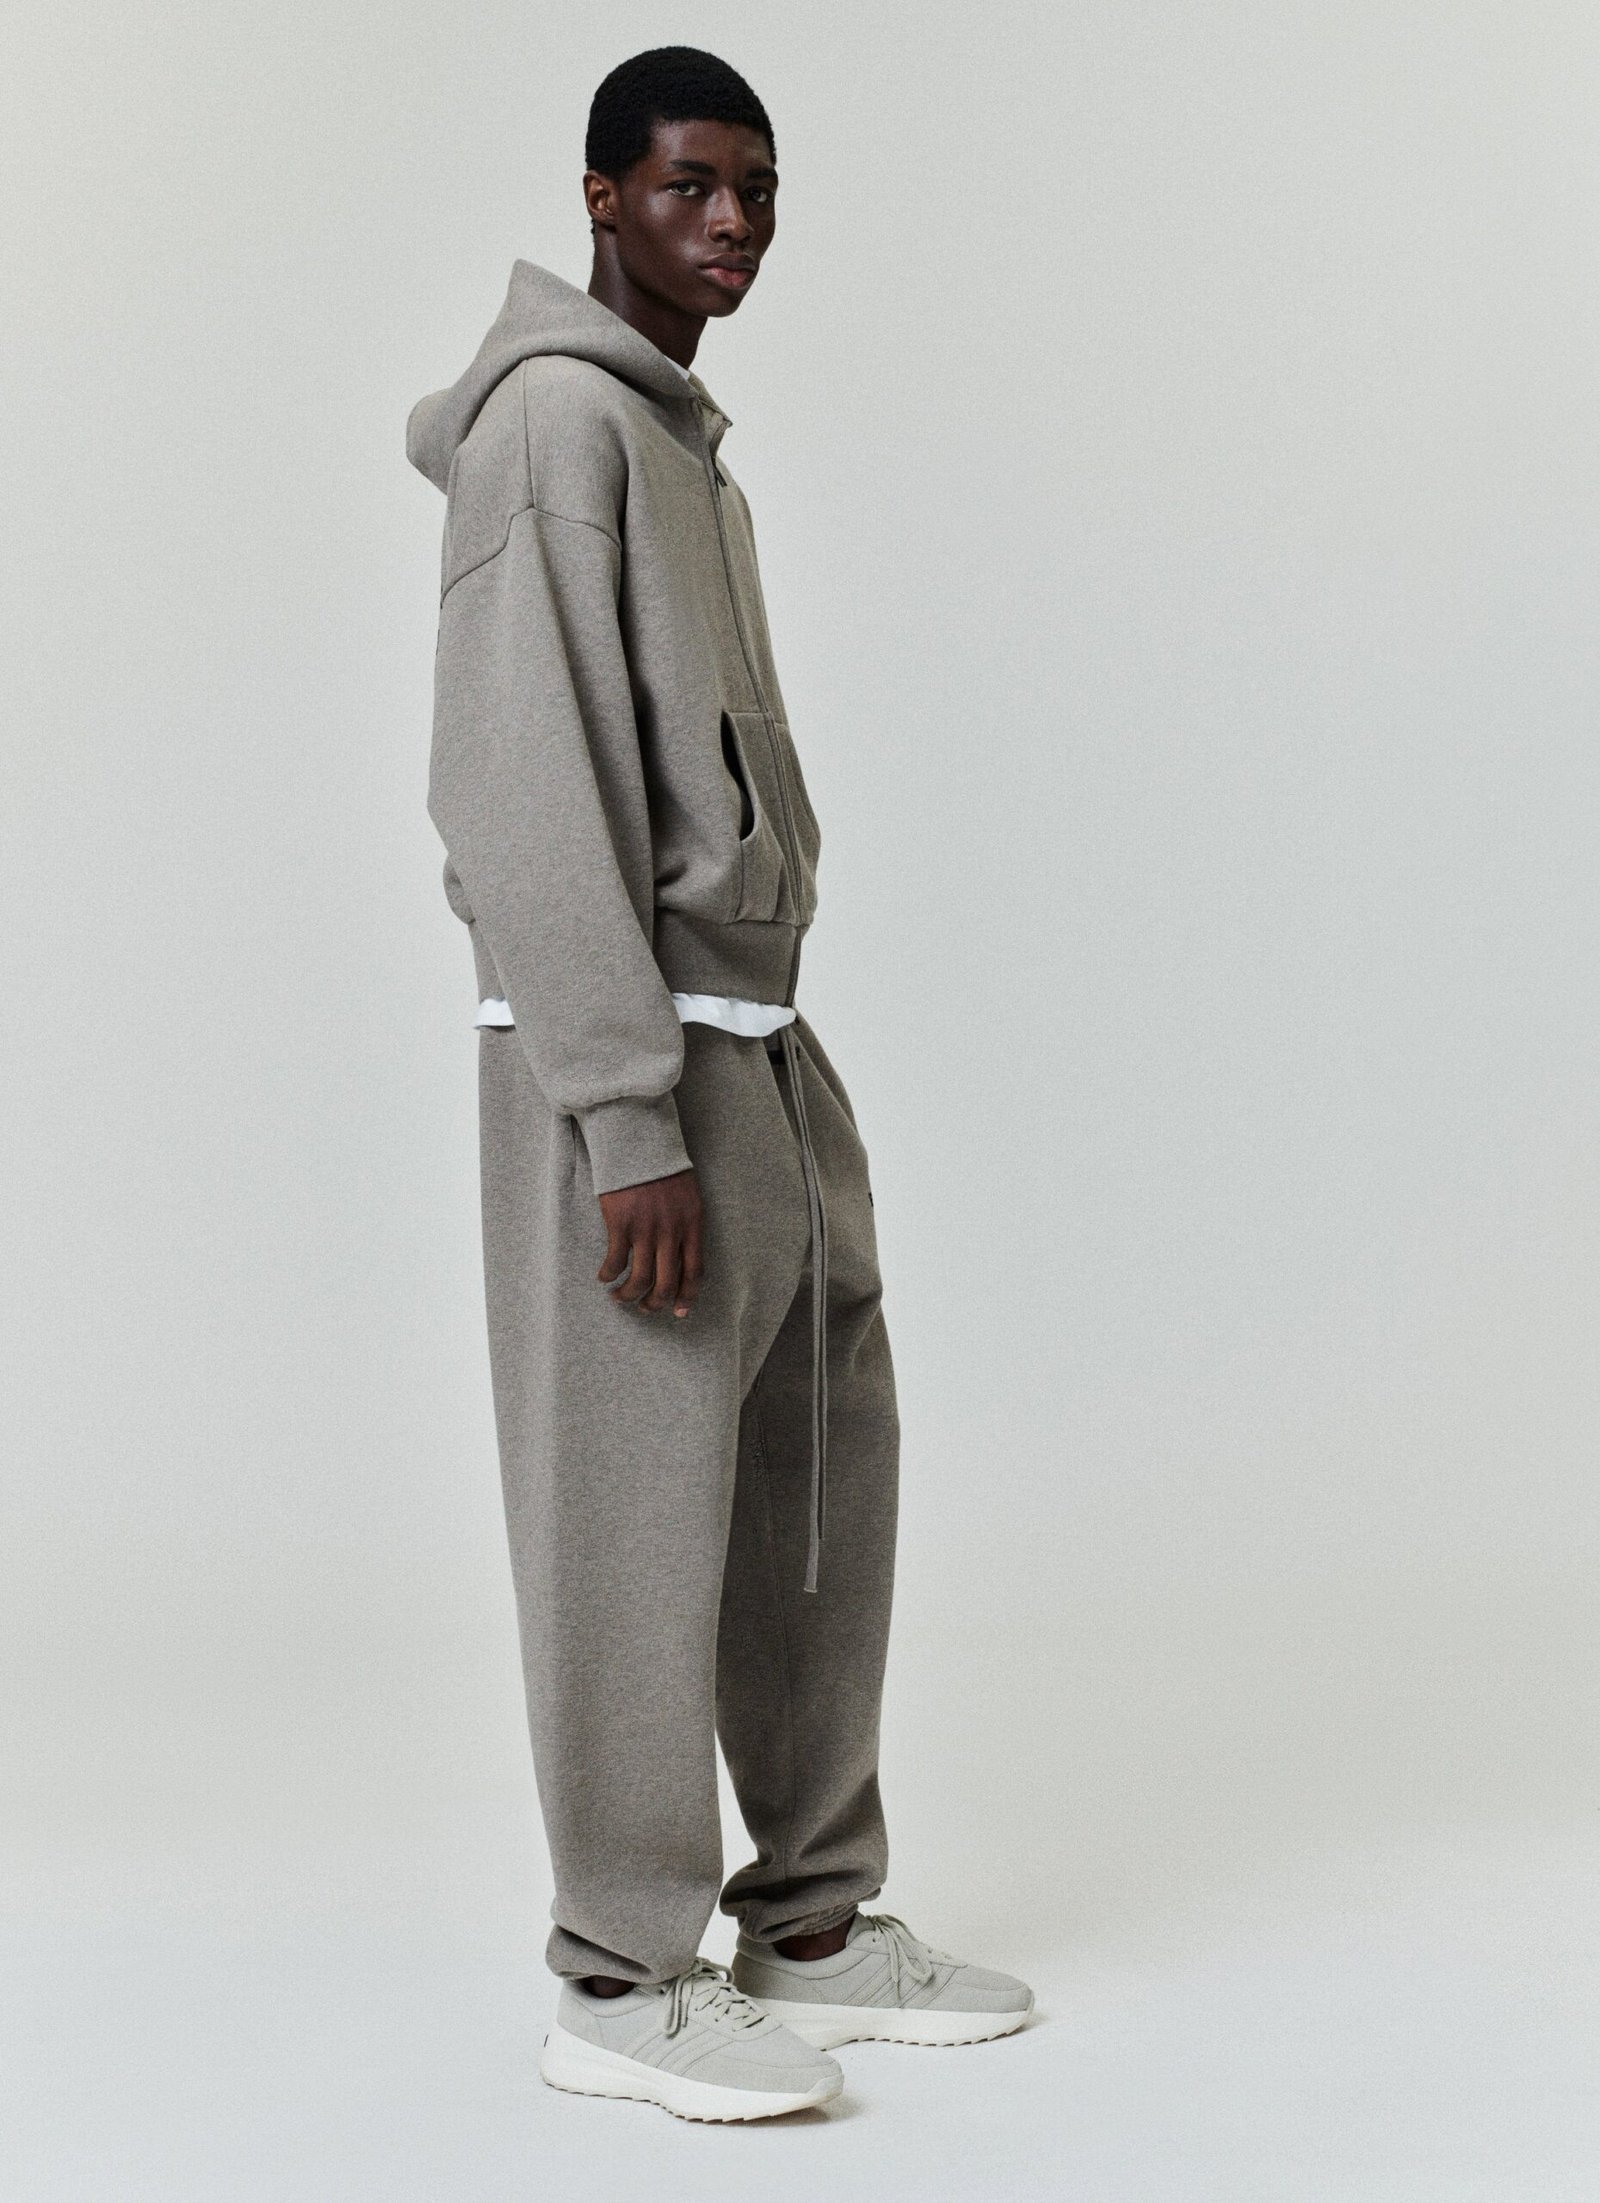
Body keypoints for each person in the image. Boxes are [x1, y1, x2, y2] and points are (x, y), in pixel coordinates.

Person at [407, 45, 1032, 2124]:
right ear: (601, 197)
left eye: (756, 188)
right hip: (630, 1060)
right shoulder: (555, 430)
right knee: (629, 1525)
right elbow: (518, 795)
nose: (732, 222)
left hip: (759, 1047)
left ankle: (811, 1922)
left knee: (810, 1495)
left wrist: (755, 1071)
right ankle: (616, 1969)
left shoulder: (686, 446)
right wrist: (622, 1111)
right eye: (688, 185)